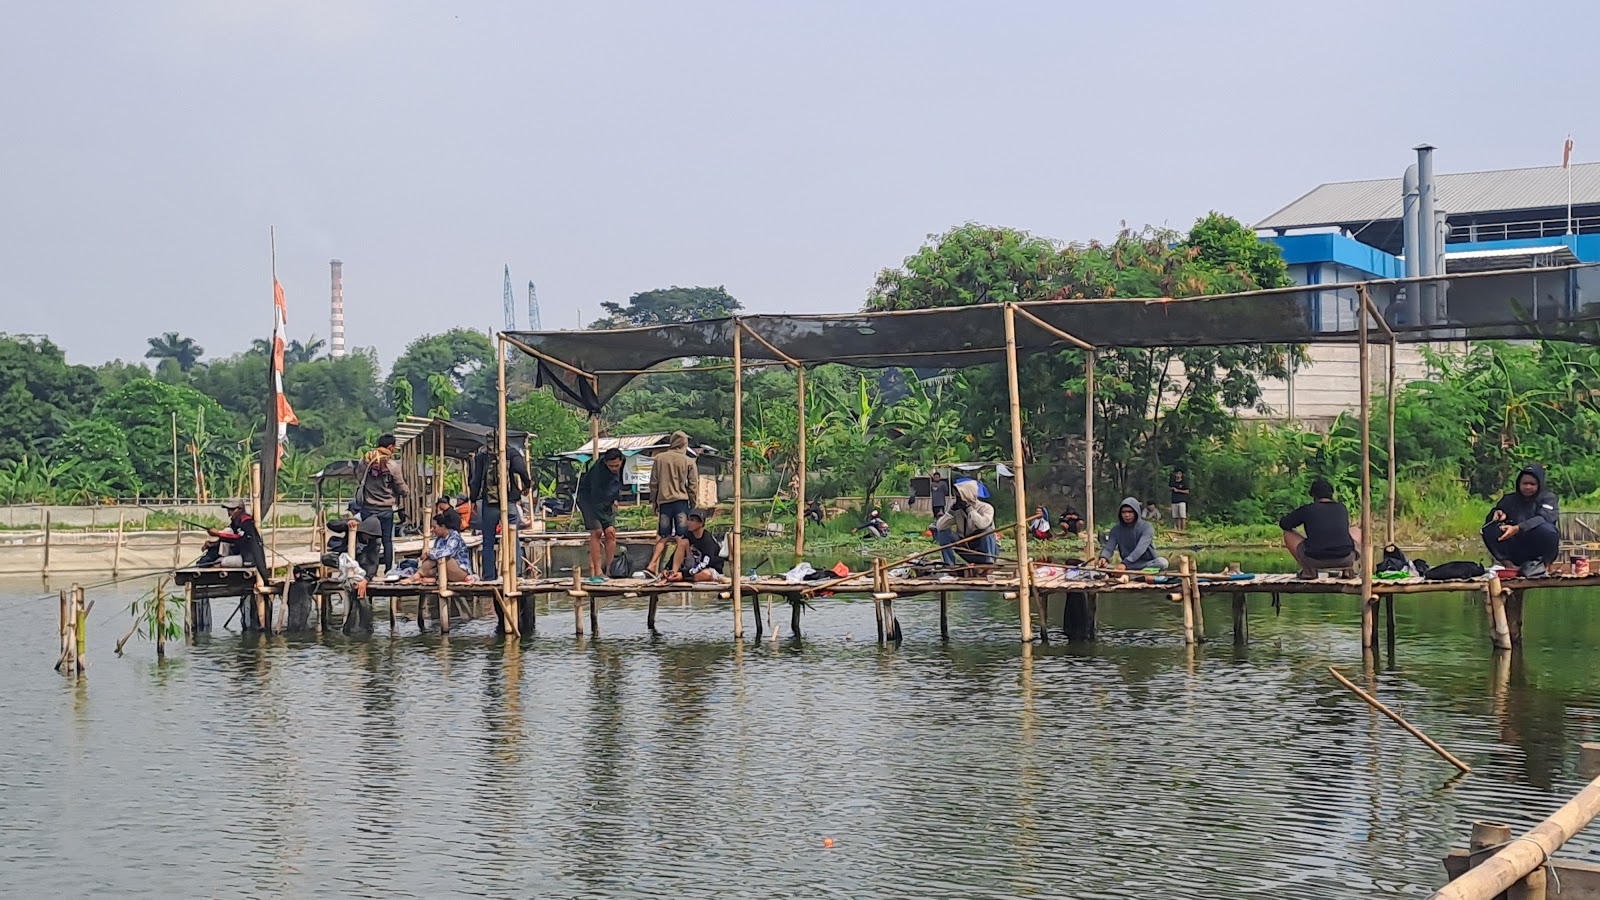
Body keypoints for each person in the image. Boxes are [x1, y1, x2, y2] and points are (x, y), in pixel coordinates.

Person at [469, 436, 531, 580]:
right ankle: (516, 574)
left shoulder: (482, 456)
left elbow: (476, 480)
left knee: (488, 541)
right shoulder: (511, 452)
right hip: (509, 503)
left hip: (489, 504)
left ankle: (489, 576)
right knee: (512, 538)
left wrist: (472, 499)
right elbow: (521, 469)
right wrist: (527, 485)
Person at [1483, 463, 1560, 578]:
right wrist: (1497, 513)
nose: (1528, 487)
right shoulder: (1509, 499)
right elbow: (1492, 519)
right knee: (1488, 529)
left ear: (1539, 484)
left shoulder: (1548, 499)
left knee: (1549, 530)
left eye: (1532, 484)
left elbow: (1544, 518)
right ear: (1519, 484)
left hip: (1536, 548)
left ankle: (1545, 566)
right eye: (1525, 483)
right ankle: (1510, 566)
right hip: (1515, 548)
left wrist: (1518, 528)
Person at [1279, 477, 1360, 578]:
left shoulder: (1308, 509)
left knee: (1288, 534)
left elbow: (1284, 524)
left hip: (1314, 559)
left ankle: (1308, 571)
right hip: (1345, 557)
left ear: (1314, 495)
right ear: (1331, 494)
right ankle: (1348, 569)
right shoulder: (1341, 508)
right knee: (1356, 530)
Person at [647, 431, 698, 577]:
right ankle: (676, 570)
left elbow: (654, 483)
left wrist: (654, 501)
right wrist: (693, 502)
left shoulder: (659, 459)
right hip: (681, 502)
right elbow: (693, 484)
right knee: (681, 537)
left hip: (664, 502)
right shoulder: (688, 461)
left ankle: (652, 564)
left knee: (663, 536)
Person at [355, 434, 409, 571]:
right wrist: (405, 492)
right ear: (391, 447)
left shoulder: (365, 461)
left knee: (370, 540)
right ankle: (389, 569)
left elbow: (358, 476)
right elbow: (401, 487)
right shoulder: (392, 466)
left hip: (368, 508)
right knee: (387, 541)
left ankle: (368, 569)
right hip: (385, 509)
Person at [579, 448, 625, 582]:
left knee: (611, 534)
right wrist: (606, 523)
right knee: (597, 532)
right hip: (590, 500)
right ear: (605, 463)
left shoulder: (622, 465)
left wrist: (616, 498)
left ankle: (610, 570)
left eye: (617, 465)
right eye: (611, 466)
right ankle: (598, 571)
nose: (614, 468)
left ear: (621, 461)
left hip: (607, 500)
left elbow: (617, 482)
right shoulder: (598, 472)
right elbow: (595, 498)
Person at [936, 479, 998, 567]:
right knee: (944, 533)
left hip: (986, 550)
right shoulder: (958, 511)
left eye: (959, 495)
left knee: (987, 531)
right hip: (967, 548)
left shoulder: (986, 508)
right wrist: (951, 512)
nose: (957, 498)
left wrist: (970, 510)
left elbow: (983, 524)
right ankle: (949, 564)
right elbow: (940, 526)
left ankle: (988, 563)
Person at [1097, 497, 1167, 571]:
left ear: (1136, 512)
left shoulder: (1146, 528)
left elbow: (1140, 549)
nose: (1127, 515)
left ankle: (1137, 574)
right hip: (1127, 565)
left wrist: (1126, 563)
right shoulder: (1116, 529)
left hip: (1145, 564)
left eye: (1130, 512)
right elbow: (1109, 547)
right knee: (1105, 567)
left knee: (1162, 562)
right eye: (1123, 512)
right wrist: (1104, 558)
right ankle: (1130, 573)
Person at [407, 514, 474, 584]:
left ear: (443, 526)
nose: (432, 530)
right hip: (443, 571)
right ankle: (428, 577)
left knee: (444, 558)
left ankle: (415, 576)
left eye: (434, 527)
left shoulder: (455, 538)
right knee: (430, 567)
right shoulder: (438, 540)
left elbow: (447, 552)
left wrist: (429, 553)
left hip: (461, 571)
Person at [197, 499, 263, 570]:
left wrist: (218, 534)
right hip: (238, 553)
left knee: (218, 563)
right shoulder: (235, 523)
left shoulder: (247, 522)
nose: (229, 512)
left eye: (232, 510)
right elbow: (231, 539)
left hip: (247, 558)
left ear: (240, 510)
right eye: (228, 510)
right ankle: (218, 556)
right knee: (227, 531)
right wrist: (213, 544)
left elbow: (239, 538)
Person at [666, 510, 725, 582]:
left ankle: (684, 577)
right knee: (683, 542)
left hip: (708, 568)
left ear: (701, 523)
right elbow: (677, 553)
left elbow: (704, 564)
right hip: (693, 566)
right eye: (688, 520)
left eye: (692, 520)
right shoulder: (688, 535)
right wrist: (667, 568)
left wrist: (684, 574)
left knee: (705, 574)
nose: (688, 522)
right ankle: (673, 574)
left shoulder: (708, 541)